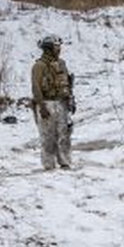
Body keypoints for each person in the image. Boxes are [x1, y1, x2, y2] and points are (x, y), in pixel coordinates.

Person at [31, 35, 75, 170]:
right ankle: (49, 164)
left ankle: (65, 162)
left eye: (59, 47)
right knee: (48, 136)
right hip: (46, 103)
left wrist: (71, 101)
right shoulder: (39, 66)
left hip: (62, 103)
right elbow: (36, 87)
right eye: (56, 47)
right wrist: (41, 107)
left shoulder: (62, 64)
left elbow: (67, 84)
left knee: (64, 134)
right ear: (48, 48)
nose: (59, 49)